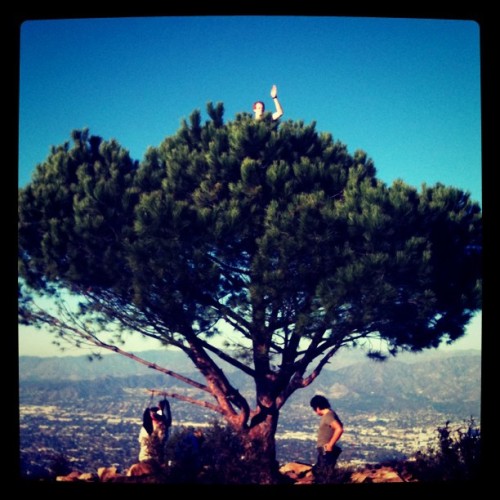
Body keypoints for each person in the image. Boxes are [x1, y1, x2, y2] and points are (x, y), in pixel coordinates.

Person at [310, 394, 344, 482]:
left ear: (317, 408)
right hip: (325, 450)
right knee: (319, 471)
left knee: (322, 475)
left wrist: (330, 445)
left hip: (326, 450)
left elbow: (339, 429)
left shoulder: (328, 416)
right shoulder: (331, 414)